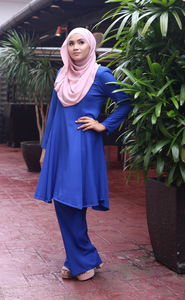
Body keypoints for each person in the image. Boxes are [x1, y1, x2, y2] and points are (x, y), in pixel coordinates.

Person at [34, 27, 131, 281]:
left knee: (72, 202)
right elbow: (54, 113)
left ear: (90, 46)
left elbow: (126, 102)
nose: (75, 47)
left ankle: (80, 259)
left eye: (81, 43)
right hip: (58, 146)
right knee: (62, 203)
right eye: (71, 43)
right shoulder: (61, 74)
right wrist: (45, 148)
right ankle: (83, 258)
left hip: (83, 148)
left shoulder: (101, 74)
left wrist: (104, 125)